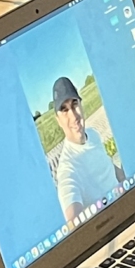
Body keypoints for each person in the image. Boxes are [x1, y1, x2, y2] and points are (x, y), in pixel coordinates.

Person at [44, 74, 124, 226]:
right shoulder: (68, 169)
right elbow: (72, 218)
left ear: (81, 104)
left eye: (74, 104)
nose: (73, 116)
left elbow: (109, 168)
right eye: (64, 110)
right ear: (58, 120)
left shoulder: (92, 134)